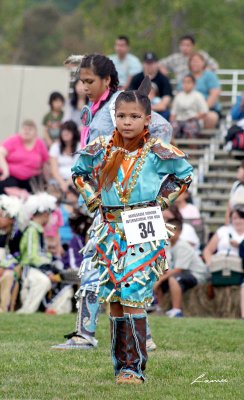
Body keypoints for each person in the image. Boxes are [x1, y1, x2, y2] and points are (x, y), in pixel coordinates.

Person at [72, 77, 193, 383]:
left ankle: (134, 368)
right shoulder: (101, 148)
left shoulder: (157, 151)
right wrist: (93, 198)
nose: (127, 122)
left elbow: (184, 175)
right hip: (110, 230)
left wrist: (161, 201)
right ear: (115, 117)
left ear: (147, 120)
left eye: (134, 116)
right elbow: (79, 172)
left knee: (133, 293)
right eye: (122, 116)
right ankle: (120, 364)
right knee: (113, 297)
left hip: (144, 226)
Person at [52, 53, 173, 351]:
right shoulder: (100, 107)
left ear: (107, 80)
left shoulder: (119, 104)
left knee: (111, 263)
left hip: (130, 202)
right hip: (112, 201)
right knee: (123, 266)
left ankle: (86, 334)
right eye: (82, 81)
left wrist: (135, 161)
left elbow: (162, 128)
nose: (84, 86)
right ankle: (140, 336)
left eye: (90, 81)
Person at [154, 217, 209, 317]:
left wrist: (160, 280)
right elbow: (165, 266)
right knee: (158, 276)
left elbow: (179, 269)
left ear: (179, 232)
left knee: (173, 279)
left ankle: (177, 310)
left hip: (196, 275)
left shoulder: (183, 246)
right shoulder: (167, 245)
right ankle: (160, 307)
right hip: (181, 273)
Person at [17, 193, 59, 314]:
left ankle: (47, 309)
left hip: (37, 268)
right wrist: (47, 268)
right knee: (43, 281)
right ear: (45, 214)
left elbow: (41, 254)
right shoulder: (31, 230)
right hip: (29, 268)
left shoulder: (38, 230)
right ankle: (26, 310)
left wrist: (50, 265)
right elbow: (31, 256)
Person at [0, 120, 49, 194]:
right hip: (10, 176)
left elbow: (45, 163)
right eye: (24, 129)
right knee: (7, 186)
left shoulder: (40, 143)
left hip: (31, 178)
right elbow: (1, 153)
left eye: (30, 129)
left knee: (38, 191)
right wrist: (5, 170)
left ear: (35, 132)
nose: (26, 131)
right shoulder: (14, 139)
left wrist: (47, 180)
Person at [182, 52, 221, 128]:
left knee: (212, 117)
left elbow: (214, 94)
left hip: (207, 109)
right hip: (188, 109)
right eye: (192, 61)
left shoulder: (210, 75)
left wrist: (203, 110)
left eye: (197, 61)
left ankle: (200, 137)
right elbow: (181, 93)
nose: (194, 63)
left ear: (203, 63)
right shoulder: (186, 76)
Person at [129, 52, 172, 120]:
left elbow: (165, 101)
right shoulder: (136, 78)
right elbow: (130, 98)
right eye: (147, 63)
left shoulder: (164, 79)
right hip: (138, 110)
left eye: (152, 63)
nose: (150, 65)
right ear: (143, 64)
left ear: (157, 63)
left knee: (166, 113)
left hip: (158, 111)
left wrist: (152, 108)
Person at [0, 195, 22, 312]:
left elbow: (17, 255)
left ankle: (4, 308)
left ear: (11, 219)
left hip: (9, 268)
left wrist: (3, 266)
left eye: (2, 216)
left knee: (8, 276)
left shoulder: (16, 235)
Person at [170, 74, 208, 138]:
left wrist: (193, 117)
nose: (186, 84)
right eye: (184, 82)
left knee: (190, 127)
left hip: (193, 121)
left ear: (194, 84)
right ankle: (174, 147)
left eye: (188, 82)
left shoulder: (198, 96)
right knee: (172, 127)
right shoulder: (178, 96)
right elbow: (173, 113)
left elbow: (204, 112)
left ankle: (192, 147)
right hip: (179, 121)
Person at [49, 120, 80, 195]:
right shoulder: (55, 147)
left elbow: (79, 169)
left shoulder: (80, 147)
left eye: (69, 130)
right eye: (63, 130)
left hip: (75, 181)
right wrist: (63, 183)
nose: (65, 133)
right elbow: (54, 170)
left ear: (74, 133)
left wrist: (68, 183)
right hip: (58, 181)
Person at [225, 161, 244, 225]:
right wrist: (227, 225)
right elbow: (229, 208)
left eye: (241, 168)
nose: (238, 169)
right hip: (234, 223)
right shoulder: (236, 185)